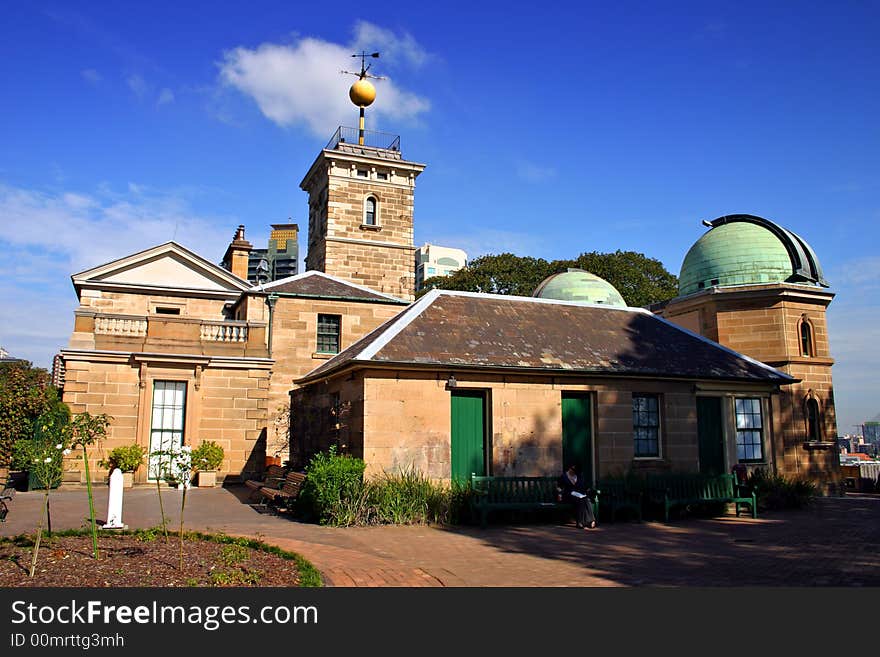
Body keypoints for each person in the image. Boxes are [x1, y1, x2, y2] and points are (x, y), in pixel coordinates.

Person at [557, 464, 597, 529]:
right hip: (568, 495)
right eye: (572, 469)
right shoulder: (564, 476)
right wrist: (559, 494)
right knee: (580, 501)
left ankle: (591, 521)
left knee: (586, 500)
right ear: (569, 468)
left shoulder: (579, 476)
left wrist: (587, 490)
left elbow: (583, 485)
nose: (572, 471)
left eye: (574, 471)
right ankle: (580, 522)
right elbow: (559, 487)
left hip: (578, 494)